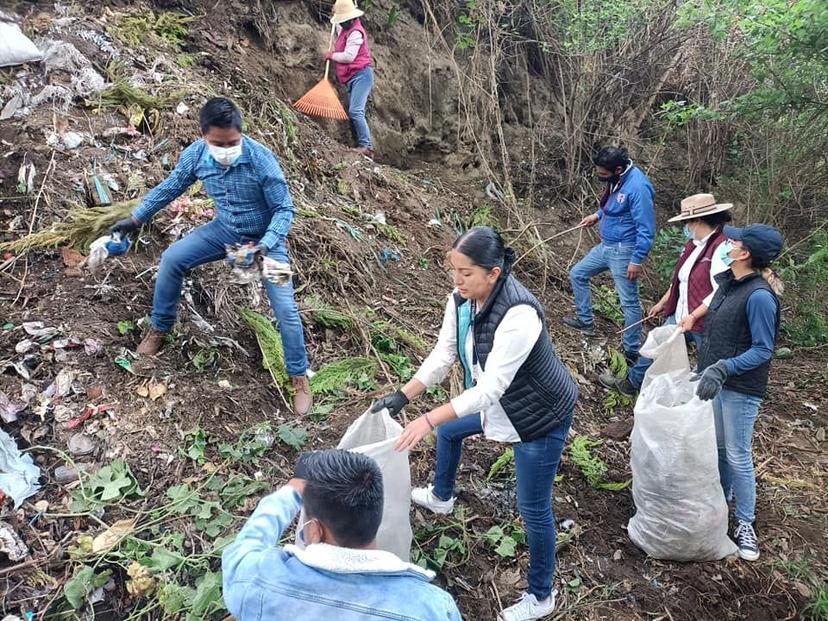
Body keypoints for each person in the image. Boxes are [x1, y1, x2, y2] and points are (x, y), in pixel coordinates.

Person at [372, 226, 578, 621]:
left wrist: (427, 419)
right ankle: (442, 497)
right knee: (451, 431)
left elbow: (490, 389)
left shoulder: (519, 314)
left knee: (532, 507)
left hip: (538, 415)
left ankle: (541, 594)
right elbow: (444, 353)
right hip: (499, 405)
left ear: (494, 273)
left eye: (465, 272)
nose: (457, 279)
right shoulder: (462, 301)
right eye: (453, 270)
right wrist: (404, 395)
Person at [109, 97, 312, 416]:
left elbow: (285, 209)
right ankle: (158, 330)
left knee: (285, 310)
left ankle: (299, 377)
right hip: (225, 232)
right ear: (204, 135)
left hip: (265, 243)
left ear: (241, 134)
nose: (225, 149)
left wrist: (265, 245)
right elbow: (169, 188)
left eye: (232, 142)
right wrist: (135, 219)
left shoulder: (261, 159)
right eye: (218, 143)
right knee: (172, 259)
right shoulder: (197, 156)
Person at [222, 449, 462, 620]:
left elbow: (245, 546)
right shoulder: (432, 608)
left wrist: (292, 492)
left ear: (315, 530)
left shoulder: (258, 580)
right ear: (377, 517)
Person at [693, 224, 784, 562]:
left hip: (741, 389)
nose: (727, 242)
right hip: (716, 381)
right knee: (718, 448)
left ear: (745, 254)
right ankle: (720, 502)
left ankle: (745, 522)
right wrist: (704, 368)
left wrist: (723, 368)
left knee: (737, 453)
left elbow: (763, 350)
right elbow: (716, 332)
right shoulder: (728, 284)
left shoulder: (759, 296)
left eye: (734, 241)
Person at [599, 193, 732, 395]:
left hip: (704, 322)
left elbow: (719, 291)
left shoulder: (721, 248)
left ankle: (702, 405)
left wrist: (694, 316)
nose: (686, 228)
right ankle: (631, 384)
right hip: (680, 314)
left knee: (707, 365)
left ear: (697, 221)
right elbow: (681, 279)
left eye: (687, 223)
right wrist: (663, 302)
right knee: (657, 346)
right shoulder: (693, 245)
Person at [563, 147, 656, 364]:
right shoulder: (618, 179)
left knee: (629, 302)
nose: (600, 177)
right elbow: (614, 206)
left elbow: (646, 228)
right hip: (606, 246)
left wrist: (637, 259)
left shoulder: (638, 187)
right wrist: (596, 215)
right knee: (577, 274)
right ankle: (586, 321)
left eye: (604, 175)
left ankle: (631, 350)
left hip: (625, 251)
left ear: (618, 169)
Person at [325, 0, 375, 159]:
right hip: (351, 78)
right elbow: (339, 27)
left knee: (355, 110)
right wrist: (335, 12)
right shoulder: (345, 27)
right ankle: (361, 143)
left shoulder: (356, 33)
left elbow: (348, 56)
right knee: (354, 110)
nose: (341, 23)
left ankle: (367, 147)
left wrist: (331, 56)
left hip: (362, 76)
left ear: (351, 19)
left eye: (343, 20)